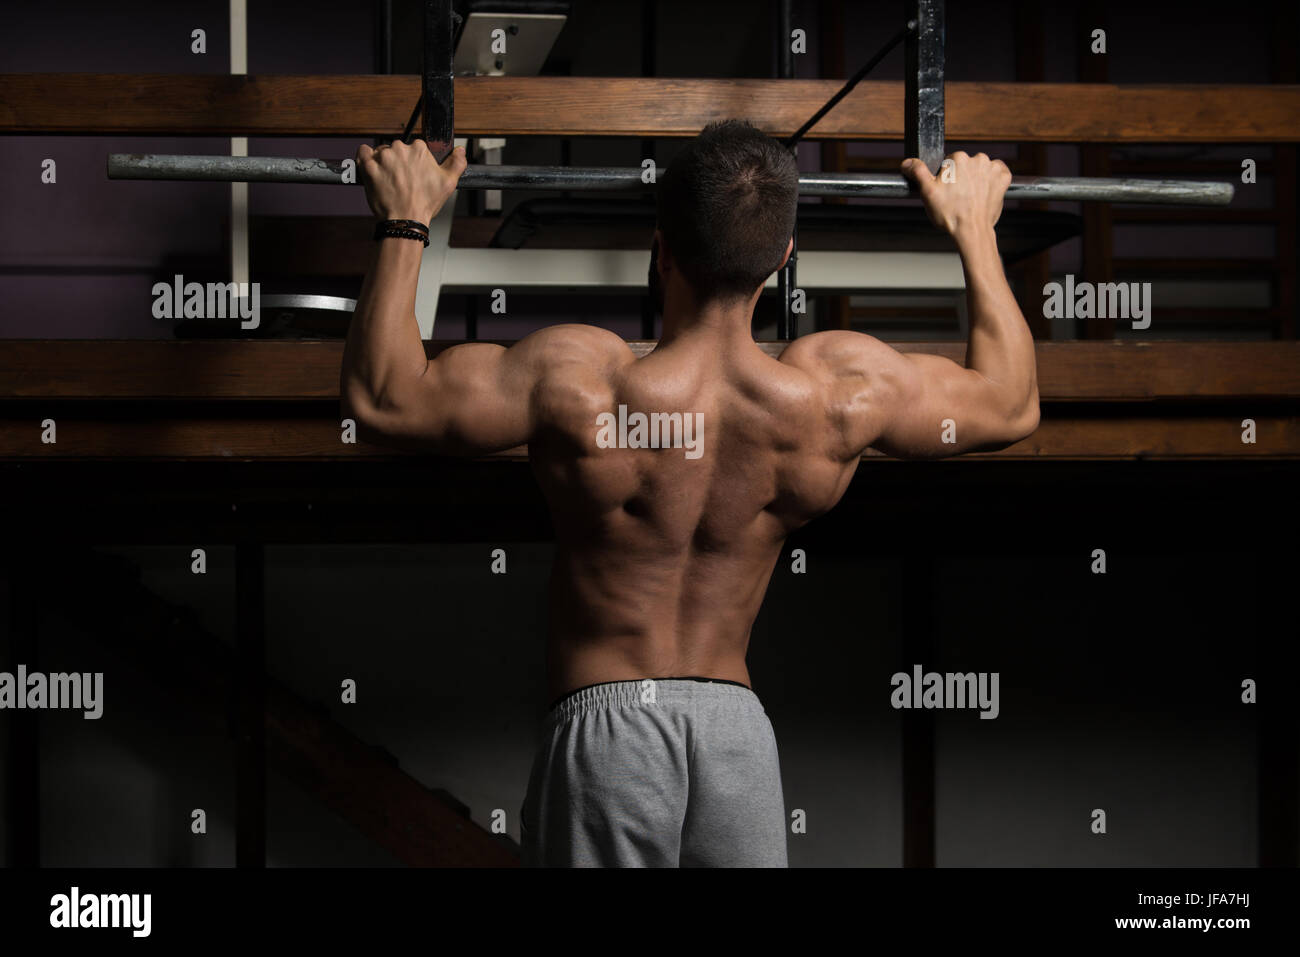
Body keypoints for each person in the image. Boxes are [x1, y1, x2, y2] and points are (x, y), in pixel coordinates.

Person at [341, 119, 1039, 867]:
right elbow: (1010, 403)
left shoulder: (581, 384)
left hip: (610, 729)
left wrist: (405, 219)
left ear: (661, 248)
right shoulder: (834, 397)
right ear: (782, 258)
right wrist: (974, 229)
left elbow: (383, 399)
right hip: (736, 733)